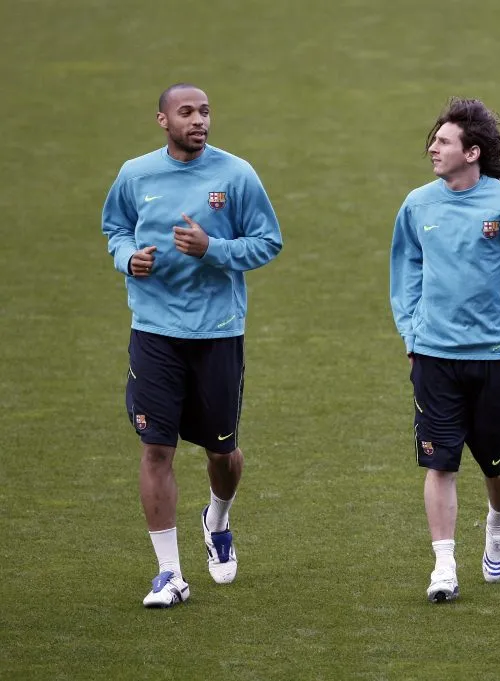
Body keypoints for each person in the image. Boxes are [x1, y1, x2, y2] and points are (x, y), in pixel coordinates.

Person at [101, 83, 283, 608]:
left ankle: (217, 519)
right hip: (154, 331)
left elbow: (268, 241)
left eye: (205, 111)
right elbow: (114, 229)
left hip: (217, 331)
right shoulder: (136, 175)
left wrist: (212, 248)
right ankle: (169, 574)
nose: (199, 120)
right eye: (187, 112)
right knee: (157, 448)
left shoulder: (236, 174)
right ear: (162, 120)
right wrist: (127, 257)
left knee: (221, 450)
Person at [389, 97, 500, 603]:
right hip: (434, 355)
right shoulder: (418, 205)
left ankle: (499, 521)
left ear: (473, 152)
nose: (432, 149)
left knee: (493, 460)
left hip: (496, 358)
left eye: (443, 142)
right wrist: (411, 330)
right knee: (438, 462)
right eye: (433, 140)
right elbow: (406, 268)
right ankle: (444, 566)